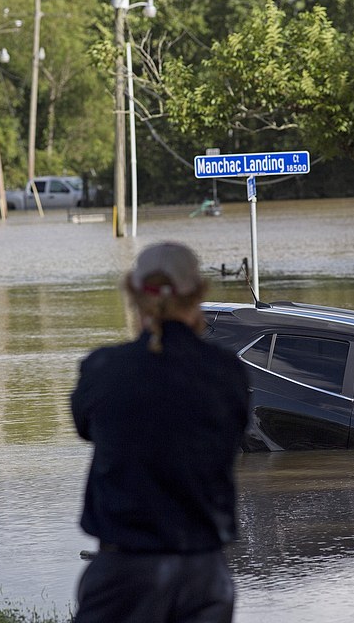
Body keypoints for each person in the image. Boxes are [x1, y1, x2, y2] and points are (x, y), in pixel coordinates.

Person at [71, 242, 250, 623]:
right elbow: (232, 436)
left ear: (135, 293)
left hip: (123, 570)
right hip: (203, 571)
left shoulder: (103, 369)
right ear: (199, 292)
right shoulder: (227, 373)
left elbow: (85, 428)